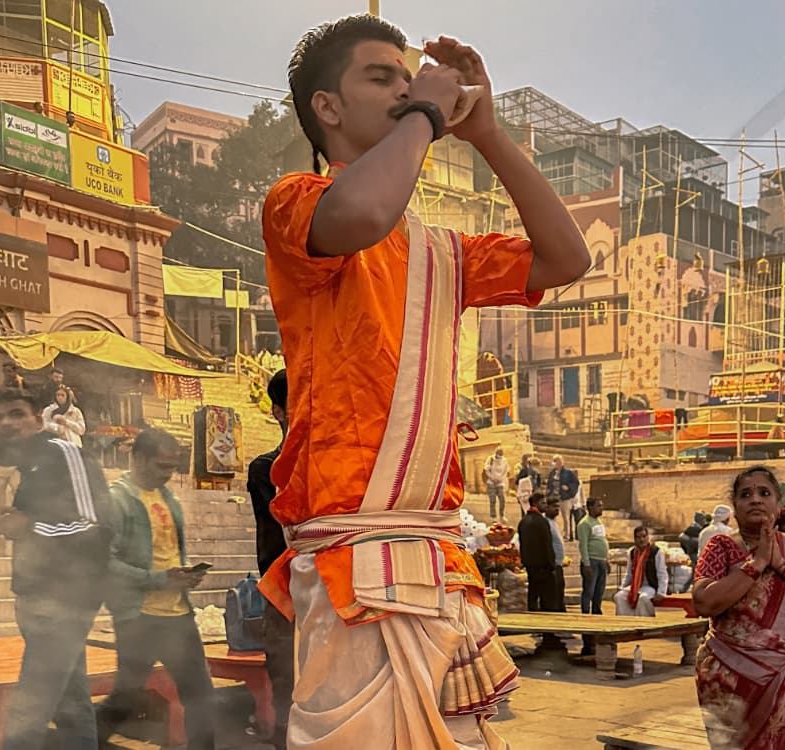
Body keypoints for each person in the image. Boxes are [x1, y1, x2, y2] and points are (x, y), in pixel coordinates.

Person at [260, 15, 589, 748]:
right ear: (328, 108)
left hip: (437, 562)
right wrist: (429, 114)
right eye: (382, 79)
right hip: (354, 567)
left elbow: (566, 259)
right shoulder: (296, 202)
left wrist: (489, 135)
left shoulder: (445, 252)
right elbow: (365, 211)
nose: (406, 92)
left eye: (410, 82)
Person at [0, 387, 111, 750]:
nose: (6, 422)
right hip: (37, 598)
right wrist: (20, 525)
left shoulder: (63, 452)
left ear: (39, 418)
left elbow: (94, 524)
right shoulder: (27, 463)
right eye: (0, 415)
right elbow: (46, 523)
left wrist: (31, 526)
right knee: (72, 701)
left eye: (17, 413)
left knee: (30, 705)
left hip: (66, 599)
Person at [692, 466, 785, 750]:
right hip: (731, 680)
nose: (755, 499)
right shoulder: (721, 546)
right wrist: (756, 565)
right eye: (745, 494)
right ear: (735, 507)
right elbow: (703, 602)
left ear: (777, 503)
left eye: (764, 493)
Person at [98, 429, 215, 749]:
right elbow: (103, 563)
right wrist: (159, 579)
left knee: (202, 697)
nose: (168, 474)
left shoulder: (169, 498)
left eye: (172, 467)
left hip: (178, 614)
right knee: (126, 698)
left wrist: (185, 576)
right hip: (140, 618)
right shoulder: (116, 500)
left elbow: (170, 553)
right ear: (137, 458)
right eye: (161, 466)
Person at [246, 369, 292, 749]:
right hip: (284, 591)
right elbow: (284, 520)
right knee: (288, 682)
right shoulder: (266, 469)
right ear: (278, 412)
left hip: (329, 588)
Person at [614, 526, 668, 617]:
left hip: (650, 586)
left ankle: (644, 624)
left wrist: (661, 592)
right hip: (636, 586)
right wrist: (622, 587)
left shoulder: (656, 552)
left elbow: (662, 573)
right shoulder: (632, 552)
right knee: (619, 596)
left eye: (643, 536)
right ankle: (626, 624)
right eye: (638, 537)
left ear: (648, 537)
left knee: (643, 598)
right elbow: (629, 574)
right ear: (634, 539)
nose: (641, 540)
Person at [518, 491, 557, 612]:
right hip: (543, 565)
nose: (545, 505)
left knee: (533, 593)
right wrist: (552, 564)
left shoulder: (523, 521)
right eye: (543, 503)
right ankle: (545, 627)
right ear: (535, 503)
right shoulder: (541, 521)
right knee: (546, 597)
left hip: (530, 564)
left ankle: (533, 618)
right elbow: (547, 544)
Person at [577, 497, 609, 618]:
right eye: (598, 506)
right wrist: (586, 564)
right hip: (591, 561)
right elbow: (583, 545)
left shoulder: (599, 522)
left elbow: (603, 540)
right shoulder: (584, 523)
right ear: (590, 507)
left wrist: (607, 559)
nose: (601, 508)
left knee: (599, 590)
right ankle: (585, 614)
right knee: (589, 590)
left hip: (602, 561)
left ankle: (597, 612)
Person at [548, 455, 581, 540]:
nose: (557, 464)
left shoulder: (568, 472)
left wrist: (568, 488)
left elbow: (576, 483)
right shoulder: (552, 473)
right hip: (554, 498)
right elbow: (549, 484)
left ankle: (566, 534)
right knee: (552, 516)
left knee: (565, 517)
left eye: (559, 462)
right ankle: (554, 533)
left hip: (564, 497)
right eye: (556, 462)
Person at [544, 496, 567, 610]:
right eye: (554, 507)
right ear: (546, 507)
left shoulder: (554, 523)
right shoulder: (545, 523)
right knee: (554, 593)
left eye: (558, 506)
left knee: (560, 591)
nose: (557, 509)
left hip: (558, 564)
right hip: (551, 565)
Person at [484, 447, 510, 521]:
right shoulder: (490, 459)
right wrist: (492, 478)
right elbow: (487, 470)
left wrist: (501, 479)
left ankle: (502, 515)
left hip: (500, 482)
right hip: (491, 482)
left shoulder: (504, 460)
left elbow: (506, 471)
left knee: (502, 499)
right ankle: (493, 516)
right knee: (492, 500)